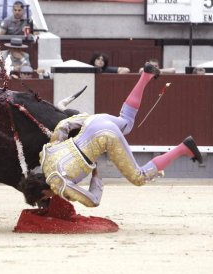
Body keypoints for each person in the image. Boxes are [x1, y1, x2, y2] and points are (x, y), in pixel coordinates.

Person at [20, 63, 203, 208]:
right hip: (93, 122)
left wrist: (95, 175)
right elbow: (62, 127)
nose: (48, 199)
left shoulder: (60, 185)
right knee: (126, 122)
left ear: (43, 193)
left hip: (104, 136)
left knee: (138, 177)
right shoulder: (45, 157)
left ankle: (183, 148)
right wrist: (83, 120)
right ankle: (145, 76)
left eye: (43, 199)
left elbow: (93, 201)